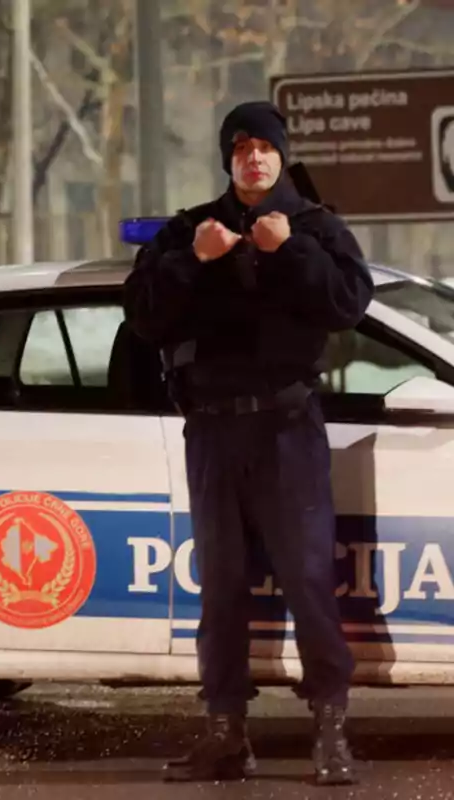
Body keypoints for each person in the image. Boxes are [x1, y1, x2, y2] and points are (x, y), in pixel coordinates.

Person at [123, 101, 372, 786]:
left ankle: (330, 729)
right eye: (241, 147)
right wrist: (192, 263)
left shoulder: (315, 229)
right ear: (228, 158)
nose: (254, 158)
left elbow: (349, 305)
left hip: (288, 429)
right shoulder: (190, 231)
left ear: (283, 155)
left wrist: (285, 250)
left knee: (308, 582)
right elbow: (141, 312)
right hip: (211, 429)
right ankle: (225, 734)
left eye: (265, 147)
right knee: (222, 590)